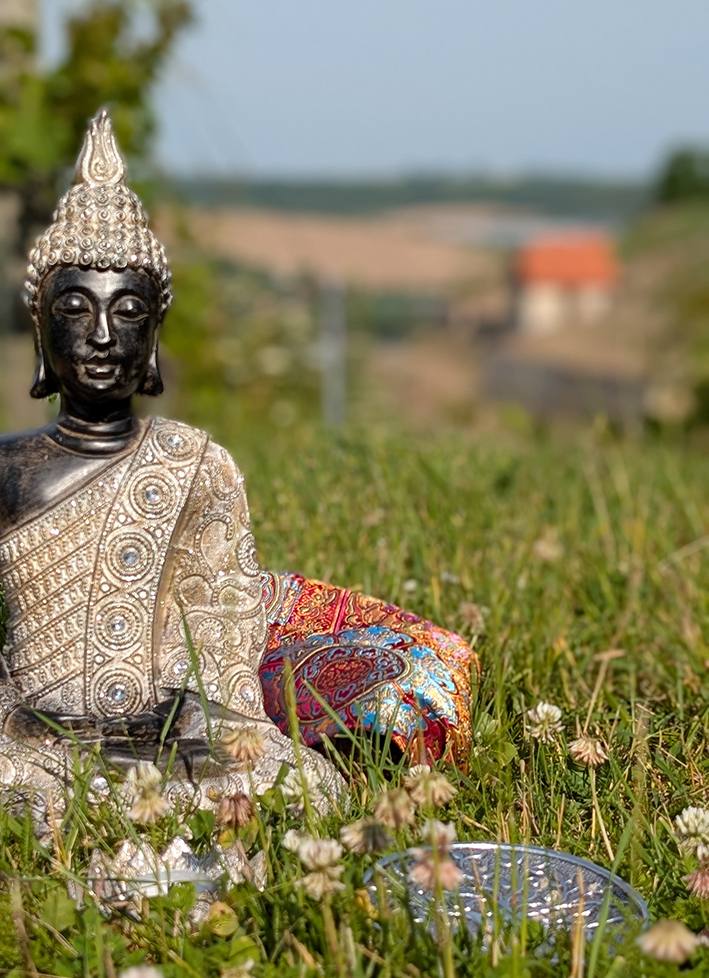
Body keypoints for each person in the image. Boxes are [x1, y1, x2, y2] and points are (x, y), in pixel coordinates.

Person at [0, 112, 473, 818]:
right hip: (28, 737)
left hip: (165, 741)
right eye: (75, 308)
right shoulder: (7, 466)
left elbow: (220, 631)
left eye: (127, 311)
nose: (101, 335)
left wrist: (194, 726)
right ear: (42, 329)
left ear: (154, 335)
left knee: (306, 789)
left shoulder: (196, 465)